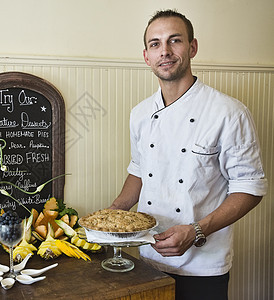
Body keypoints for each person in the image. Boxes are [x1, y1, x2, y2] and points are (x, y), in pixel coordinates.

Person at [109, 9, 267, 300]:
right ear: (147, 56)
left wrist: (195, 230)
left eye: (175, 41)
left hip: (203, 266)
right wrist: (114, 212)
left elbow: (250, 188)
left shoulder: (228, 113)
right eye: (155, 44)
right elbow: (140, 169)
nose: (165, 51)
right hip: (148, 258)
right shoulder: (141, 113)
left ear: (192, 47)